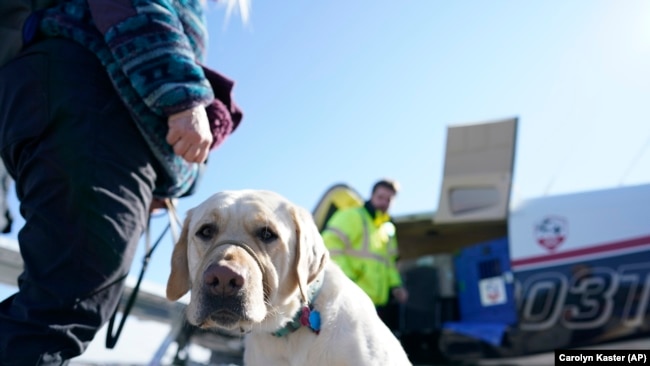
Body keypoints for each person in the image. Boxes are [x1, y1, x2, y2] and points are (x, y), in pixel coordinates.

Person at [0, 0, 244, 364]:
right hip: (87, 88)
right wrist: (182, 94)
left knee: (65, 299)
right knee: (63, 302)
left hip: (64, 94)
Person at [321, 179, 408, 329]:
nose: (384, 203)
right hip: (351, 299)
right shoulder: (351, 216)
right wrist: (348, 277)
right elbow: (329, 244)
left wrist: (396, 286)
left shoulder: (385, 230)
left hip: (377, 304)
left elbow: (389, 264)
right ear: (372, 196)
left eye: (388, 199)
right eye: (380, 197)